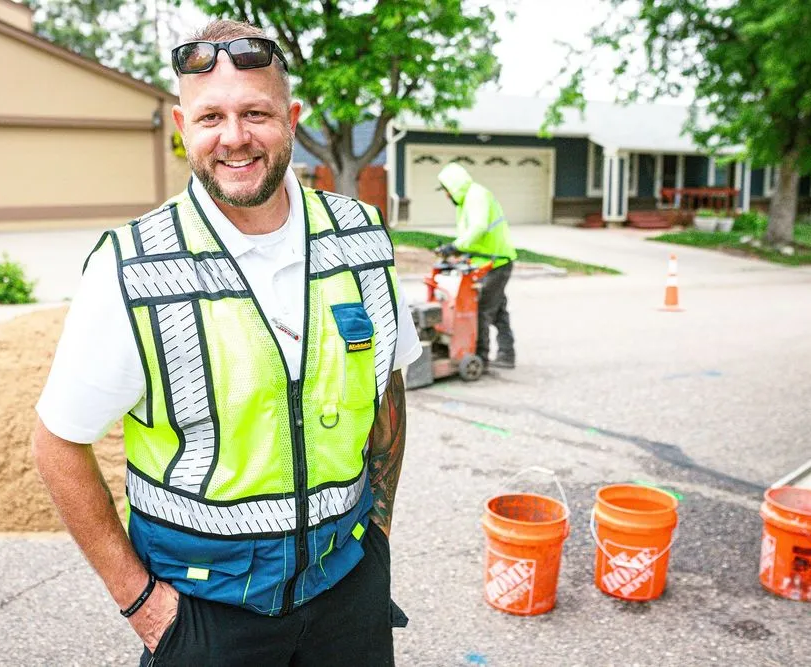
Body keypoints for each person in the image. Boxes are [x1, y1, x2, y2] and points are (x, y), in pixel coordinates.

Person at [31, 19, 420, 667]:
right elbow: (57, 444)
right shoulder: (132, 267)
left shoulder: (362, 237)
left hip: (348, 590)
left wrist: (377, 528)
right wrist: (145, 607)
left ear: (291, 119)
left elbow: (388, 386)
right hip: (203, 613)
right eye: (211, 116)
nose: (234, 137)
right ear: (182, 127)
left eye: (256, 113)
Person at [435, 162, 518, 369]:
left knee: (481, 309)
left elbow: (478, 228)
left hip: (496, 262)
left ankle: (480, 357)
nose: (446, 196)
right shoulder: (466, 201)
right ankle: (507, 354)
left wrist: (455, 247)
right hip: (488, 262)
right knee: (497, 309)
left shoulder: (476, 195)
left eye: (446, 190)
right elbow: (471, 237)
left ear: (453, 186)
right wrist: (460, 252)